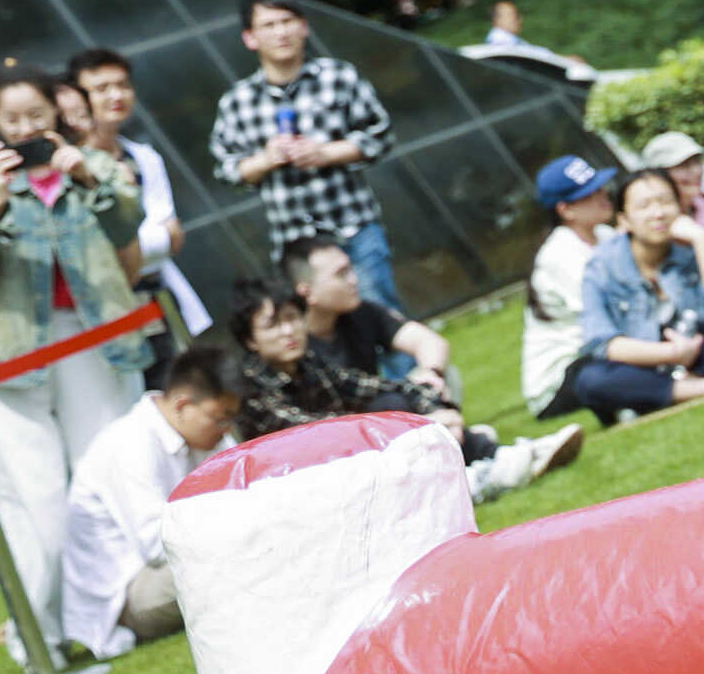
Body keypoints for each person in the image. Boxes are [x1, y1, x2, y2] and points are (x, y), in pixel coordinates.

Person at [0, 64, 147, 659]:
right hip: (11, 352)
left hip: (94, 336)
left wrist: (84, 175)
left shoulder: (89, 161)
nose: (25, 128)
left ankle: (113, 619)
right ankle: (39, 640)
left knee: (106, 479)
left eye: (35, 114)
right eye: (11, 119)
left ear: (56, 111)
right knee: (37, 501)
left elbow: (130, 223)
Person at [227, 278, 578, 498]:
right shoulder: (252, 389)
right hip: (316, 485)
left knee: (394, 400)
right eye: (273, 325)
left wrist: (439, 410)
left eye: (292, 319)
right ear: (250, 341)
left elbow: (376, 386)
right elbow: (318, 434)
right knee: (387, 423)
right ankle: (485, 473)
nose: (289, 332)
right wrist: (414, 427)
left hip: (361, 458)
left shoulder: (311, 362)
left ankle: (492, 458)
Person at [208, 0, 400, 312]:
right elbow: (226, 169)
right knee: (316, 331)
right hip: (294, 244)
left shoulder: (338, 77)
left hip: (353, 227)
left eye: (287, 21)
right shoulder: (238, 101)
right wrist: (266, 160)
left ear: (304, 27)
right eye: (269, 25)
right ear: (250, 38)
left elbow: (381, 136)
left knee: (380, 316)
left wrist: (326, 153)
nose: (281, 32)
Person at [55, 342, 243, 659]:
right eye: (220, 418)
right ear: (183, 405)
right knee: (237, 560)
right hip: (130, 594)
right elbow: (156, 547)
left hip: (181, 562)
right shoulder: (131, 443)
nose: (226, 430)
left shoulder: (201, 432)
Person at [570, 168, 704, 418]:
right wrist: (672, 354)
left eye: (665, 201)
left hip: (698, 351)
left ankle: (653, 397)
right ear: (624, 220)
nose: (658, 213)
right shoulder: (601, 267)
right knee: (589, 380)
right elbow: (603, 342)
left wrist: (701, 240)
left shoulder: (695, 240)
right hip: (642, 364)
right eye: (644, 206)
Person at [69, 47, 210, 346]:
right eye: (102, 88)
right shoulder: (72, 166)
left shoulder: (143, 157)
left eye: (123, 85)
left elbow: (174, 237)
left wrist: (133, 245)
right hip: (106, 309)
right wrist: (149, 240)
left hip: (159, 295)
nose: (116, 95)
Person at [282, 235, 455, 392]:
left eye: (350, 269)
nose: (354, 280)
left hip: (377, 403)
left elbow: (427, 341)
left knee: (444, 376)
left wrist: (431, 373)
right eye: (341, 274)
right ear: (307, 292)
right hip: (337, 415)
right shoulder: (290, 343)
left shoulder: (362, 311)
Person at [522, 155, 615, 421]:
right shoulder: (559, 254)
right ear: (565, 210)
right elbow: (602, 317)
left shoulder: (605, 234)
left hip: (601, 352)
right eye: (590, 194)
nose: (603, 196)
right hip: (559, 381)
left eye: (600, 187)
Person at [635, 130, 704, 254]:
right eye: (683, 166)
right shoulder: (658, 225)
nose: (696, 171)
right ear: (660, 176)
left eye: (697, 161)